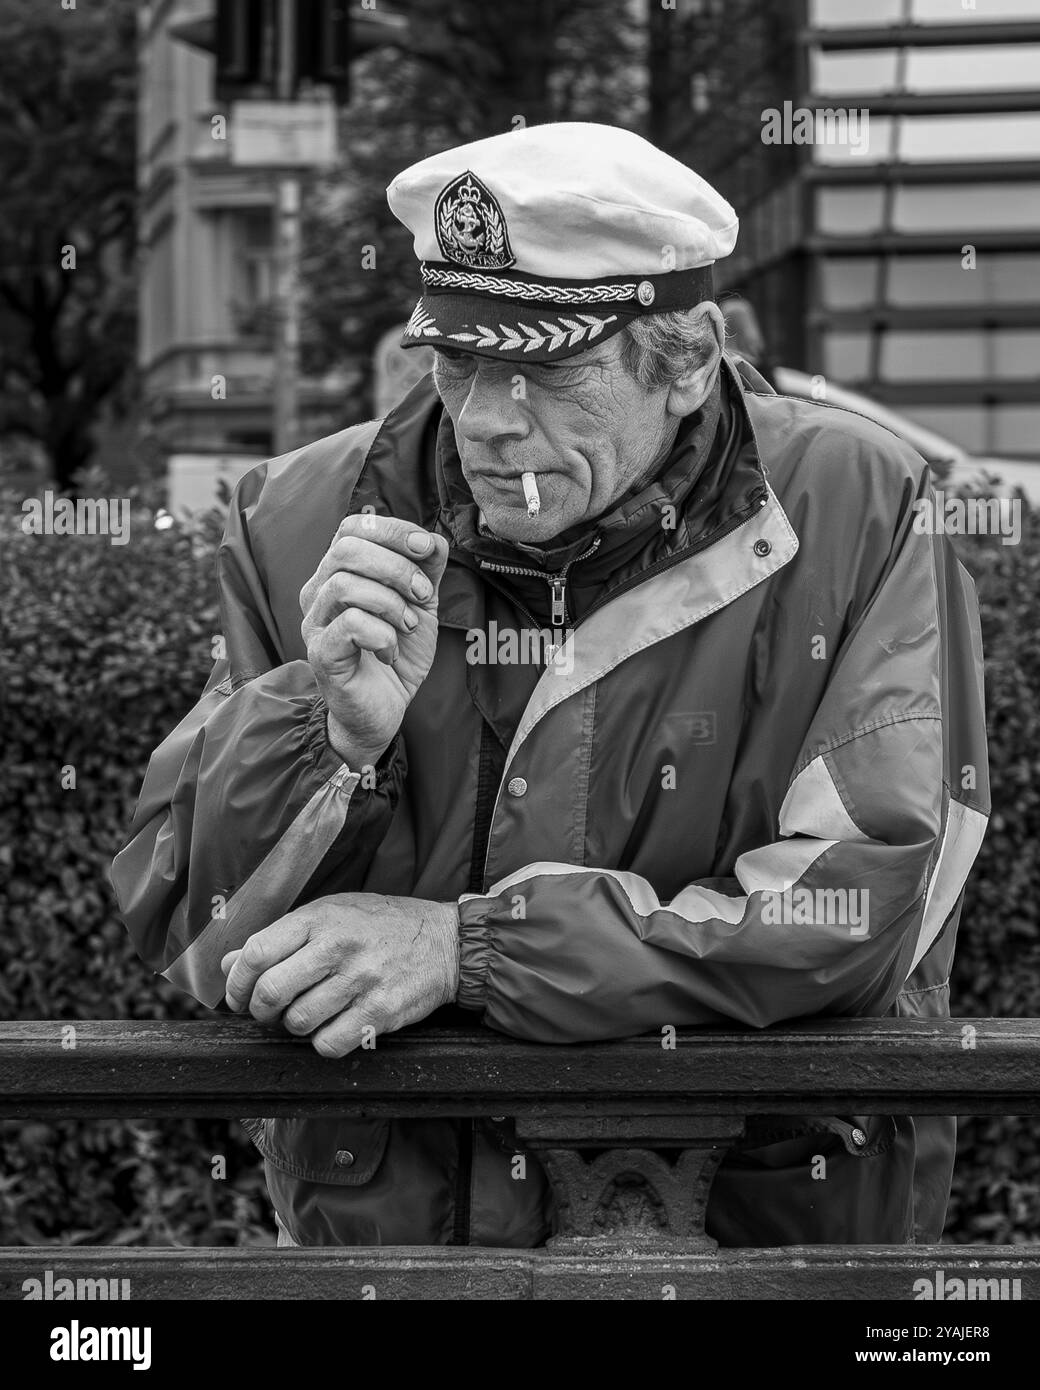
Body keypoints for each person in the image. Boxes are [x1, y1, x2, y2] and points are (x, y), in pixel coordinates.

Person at [112, 122, 990, 1250]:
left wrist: (468, 947)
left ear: (685, 360)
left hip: (763, 1247)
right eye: (457, 359)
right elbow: (184, 926)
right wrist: (328, 740)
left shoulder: (858, 505)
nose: (482, 418)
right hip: (391, 1254)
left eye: (540, 365)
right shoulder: (290, 516)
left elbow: (863, 902)